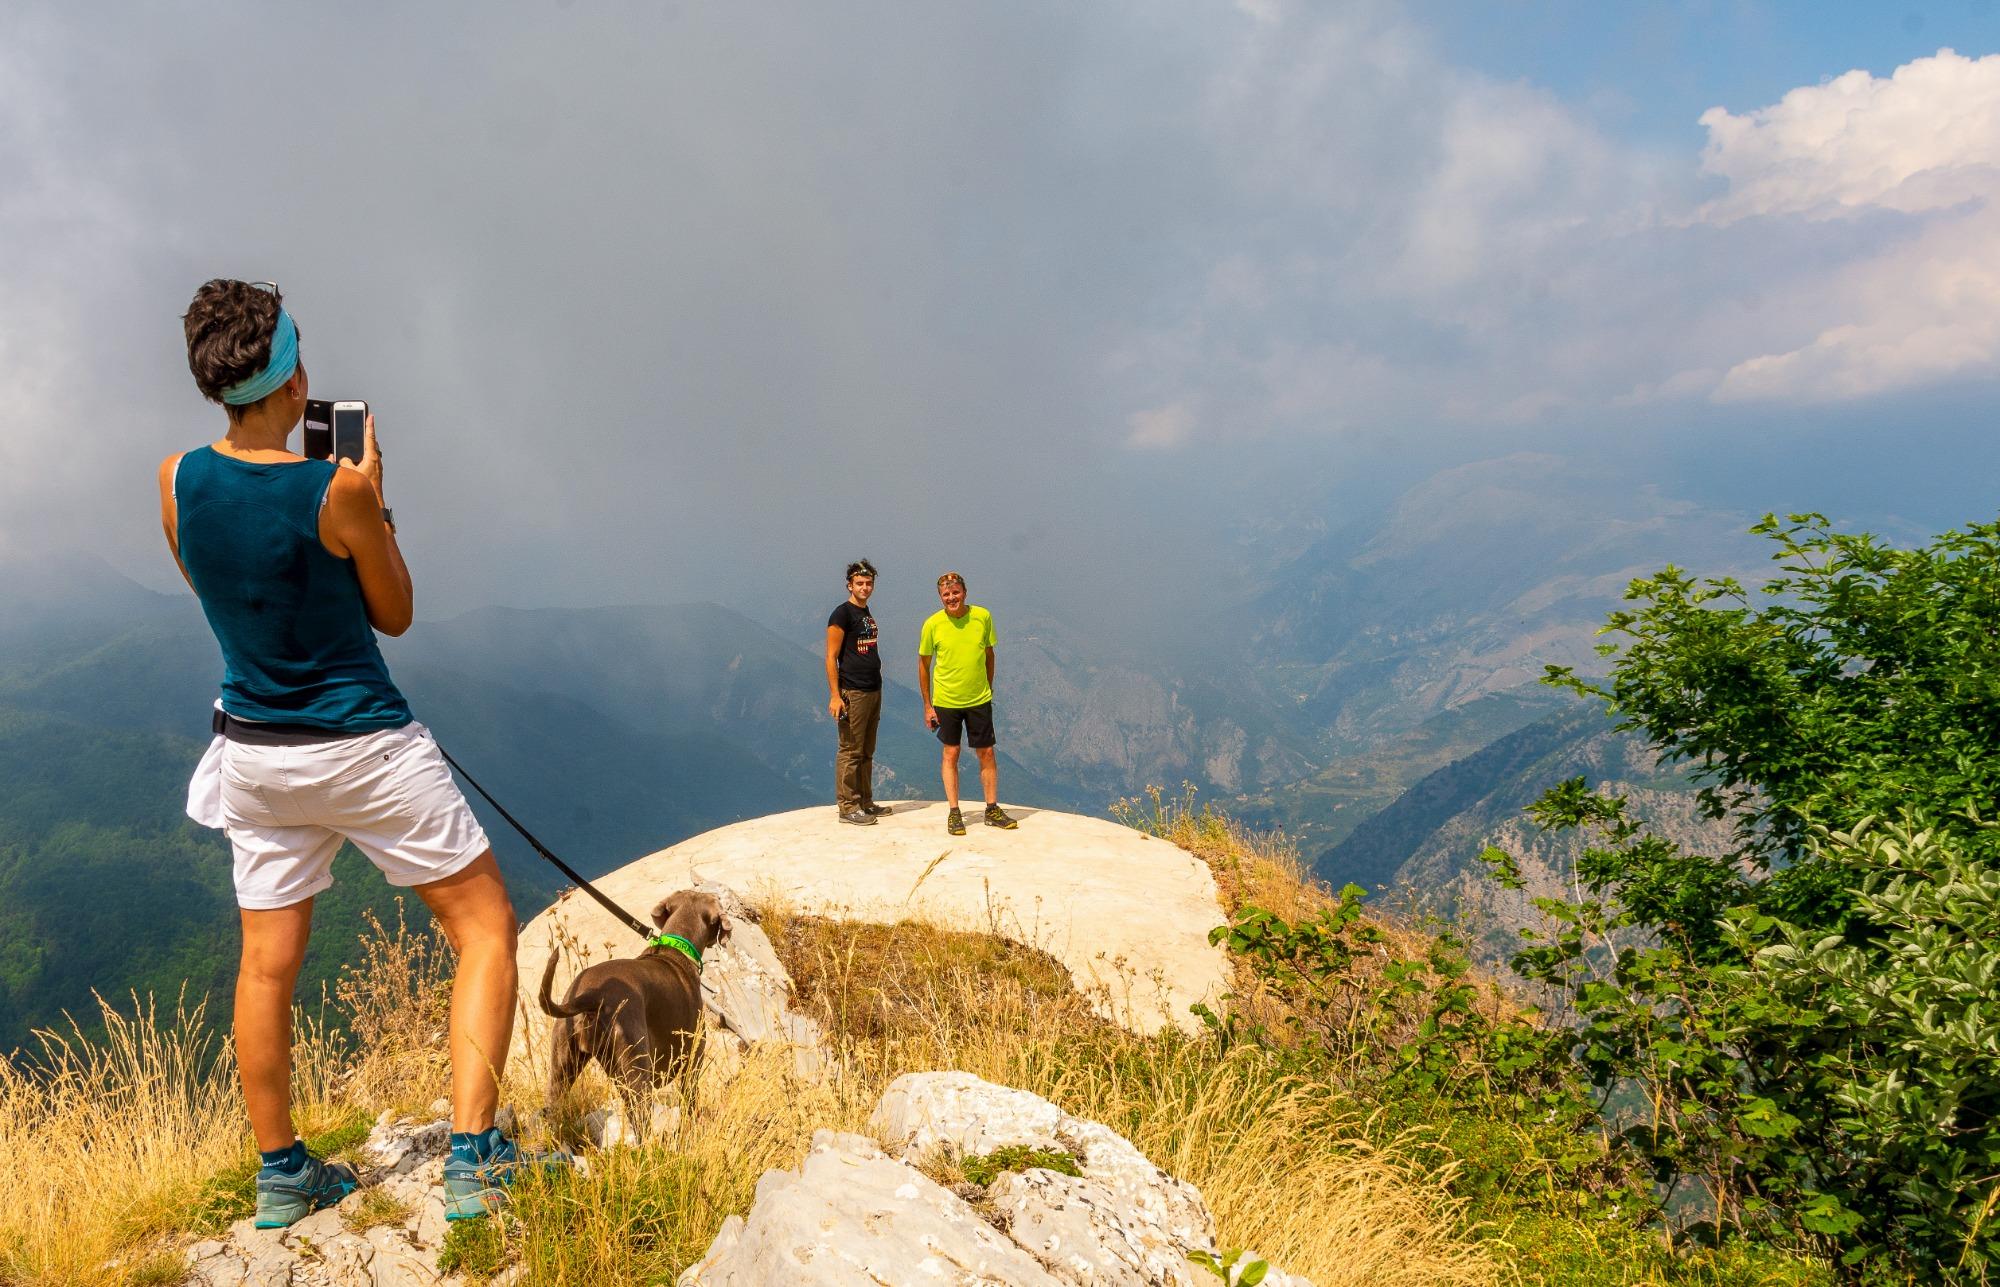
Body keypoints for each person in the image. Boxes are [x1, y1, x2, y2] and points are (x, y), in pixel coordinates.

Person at [158, 279, 563, 1228]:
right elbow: (396, 611)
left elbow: (218, 591)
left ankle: (282, 1173)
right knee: (485, 926)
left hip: (255, 756)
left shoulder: (176, 481)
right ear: (294, 376)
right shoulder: (335, 488)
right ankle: (475, 1159)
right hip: (366, 748)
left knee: (266, 967)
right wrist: (377, 504)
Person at [916, 572, 1019, 836]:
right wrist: (928, 705)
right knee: (951, 753)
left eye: (955, 593)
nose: (951, 598)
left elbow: (989, 654)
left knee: (986, 753)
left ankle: (992, 809)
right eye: (946, 595)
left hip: (978, 699)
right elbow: (924, 664)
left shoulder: (982, 617)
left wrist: (988, 687)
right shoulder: (932, 624)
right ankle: (954, 812)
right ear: (941, 597)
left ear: (965, 593)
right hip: (946, 700)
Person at [826, 559, 890, 825]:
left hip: (873, 688)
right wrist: (835, 695)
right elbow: (831, 656)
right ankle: (848, 806)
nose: (865, 588)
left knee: (867, 750)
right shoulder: (842, 614)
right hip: (853, 690)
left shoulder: (865, 612)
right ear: (849, 585)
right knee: (851, 749)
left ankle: (865, 801)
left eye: (869, 583)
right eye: (860, 583)